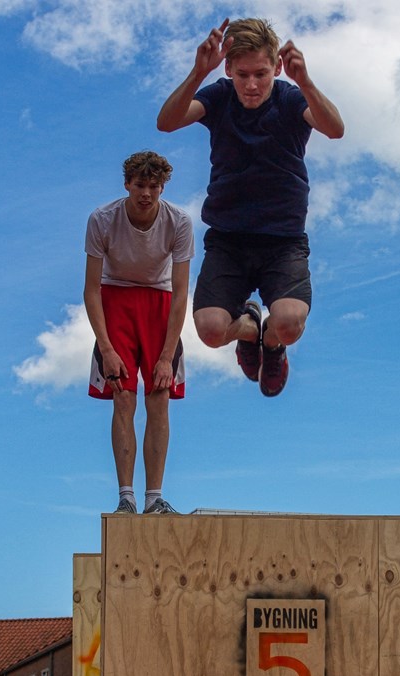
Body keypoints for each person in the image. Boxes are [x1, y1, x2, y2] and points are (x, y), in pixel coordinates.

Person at [156, 17, 344, 397]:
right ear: (228, 69)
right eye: (242, 75)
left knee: (290, 322)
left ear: (276, 67)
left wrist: (305, 82)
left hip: (283, 240)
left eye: (261, 73)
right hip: (229, 239)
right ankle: (249, 327)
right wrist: (198, 73)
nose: (252, 85)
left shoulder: (290, 98)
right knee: (210, 331)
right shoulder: (220, 95)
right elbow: (167, 122)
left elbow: (334, 128)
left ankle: (272, 344)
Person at [84, 151, 194, 514]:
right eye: (140, 185)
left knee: (159, 398)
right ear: (126, 184)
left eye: (153, 186)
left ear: (163, 187)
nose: (146, 193)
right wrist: (106, 347)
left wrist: (166, 356)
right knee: (123, 397)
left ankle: (154, 499)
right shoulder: (102, 219)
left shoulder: (178, 222)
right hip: (115, 300)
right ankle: (126, 498)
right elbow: (91, 289)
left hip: (160, 304)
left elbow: (180, 292)